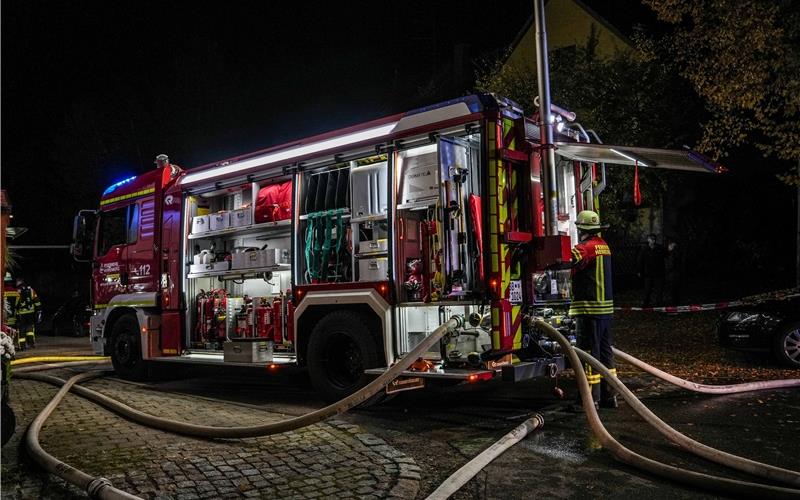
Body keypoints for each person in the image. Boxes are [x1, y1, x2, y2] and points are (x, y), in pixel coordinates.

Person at [567, 210, 617, 411]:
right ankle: (609, 397)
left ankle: (588, 400)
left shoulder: (584, 249)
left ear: (581, 229)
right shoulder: (604, 247)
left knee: (588, 355)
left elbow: (565, 260)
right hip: (605, 311)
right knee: (606, 355)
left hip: (589, 310)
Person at [638, 233, 666, 307]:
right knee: (647, 289)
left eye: (653, 239)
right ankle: (646, 303)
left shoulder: (660, 248)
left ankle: (659, 303)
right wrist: (640, 271)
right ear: (648, 240)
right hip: (648, 273)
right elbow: (640, 260)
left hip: (658, 273)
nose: (652, 241)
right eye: (651, 239)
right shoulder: (644, 249)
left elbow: (666, 255)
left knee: (659, 289)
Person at [15, 278, 41, 348]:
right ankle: (31, 343)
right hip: (31, 313)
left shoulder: (18, 291)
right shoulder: (31, 290)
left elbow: (16, 302)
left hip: (22, 314)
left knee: (22, 329)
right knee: (30, 328)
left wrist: (16, 311)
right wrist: (38, 310)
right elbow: (36, 301)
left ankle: (22, 345)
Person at [2, 274, 22, 350]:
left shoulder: (2, 292)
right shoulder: (16, 293)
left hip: (4, 320)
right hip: (14, 319)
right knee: (12, 335)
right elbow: (18, 305)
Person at [664, 237, 685, 306]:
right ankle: (676, 305)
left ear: (672, 245)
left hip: (672, 276)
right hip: (677, 275)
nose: (668, 246)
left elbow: (670, 265)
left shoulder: (672, 254)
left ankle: (673, 306)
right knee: (676, 292)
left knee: (672, 292)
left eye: (669, 245)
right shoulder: (678, 253)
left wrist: (666, 271)